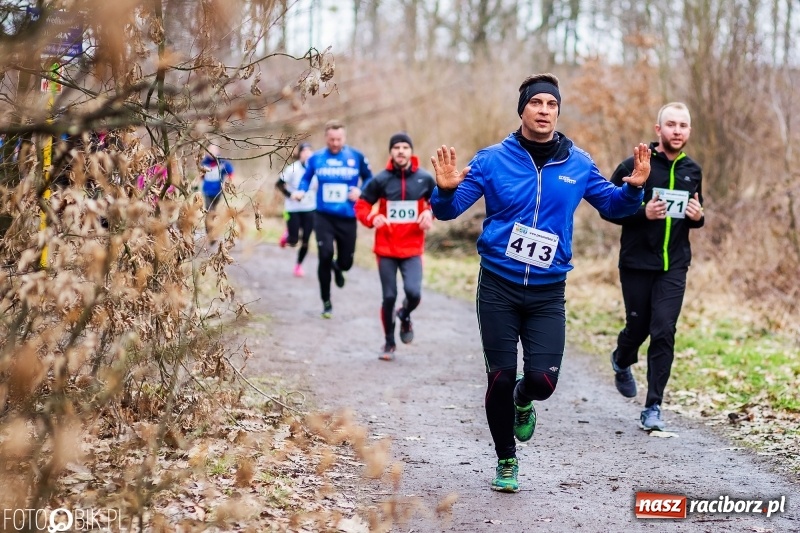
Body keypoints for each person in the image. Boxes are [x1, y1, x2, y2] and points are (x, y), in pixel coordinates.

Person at [430, 73, 651, 494]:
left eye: (552, 104)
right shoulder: (492, 159)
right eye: (537, 103)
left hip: (548, 291)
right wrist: (442, 192)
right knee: (499, 375)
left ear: (558, 111)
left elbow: (612, 206)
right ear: (523, 110)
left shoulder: (578, 163)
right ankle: (506, 459)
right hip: (498, 285)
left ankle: (524, 399)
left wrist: (634, 190)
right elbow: (449, 210)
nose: (544, 110)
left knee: (542, 382)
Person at [602, 102, 704, 432]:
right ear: (658, 129)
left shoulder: (693, 170)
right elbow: (608, 208)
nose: (677, 130)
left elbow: (696, 212)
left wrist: (699, 219)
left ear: (689, 131)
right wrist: (641, 212)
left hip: (673, 265)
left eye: (683, 125)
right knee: (639, 327)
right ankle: (621, 358)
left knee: (663, 330)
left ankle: (653, 406)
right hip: (636, 262)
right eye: (671, 124)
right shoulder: (636, 164)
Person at [355, 133, 436, 361]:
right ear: (391, 152)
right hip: (386, 249)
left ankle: (405, 314)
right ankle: (389, 343)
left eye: (405, 147)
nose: (401, 151)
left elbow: (438, 203)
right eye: (396, 147)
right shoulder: (381, 180)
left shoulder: (424, 179)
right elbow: (361, 205)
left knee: (414, 293)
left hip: (412, 248)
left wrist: (430, 214)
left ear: (411, 151)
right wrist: (372, 219)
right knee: (388, 297)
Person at [292, 120, 372, 318]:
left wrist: (360, 190)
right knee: (325, 255)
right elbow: (305, 178)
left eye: (339, 139)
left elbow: (371, 178)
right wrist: (301, 191)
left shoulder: (356, 156)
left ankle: (339, 267)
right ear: (326, 138)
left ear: (344, 138)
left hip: (347, 217)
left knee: (346, 263)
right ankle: (326, 302)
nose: (335, 143)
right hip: (324, 217)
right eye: (331, 140)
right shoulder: (316, 158)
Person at [276, 142, 316, 277]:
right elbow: (279, 184)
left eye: (310, 151)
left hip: (310, 208)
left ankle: (298, 265)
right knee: (294, 241)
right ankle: (288, 236)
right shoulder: (292, 168)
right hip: (293, 208)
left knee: (306, 239)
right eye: (304, 151)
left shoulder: (316, 168)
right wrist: (290, 195)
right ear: (299, 154)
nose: (307, 154)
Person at [199, 145, 234, 244]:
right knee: (209, 211)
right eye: (210, 152)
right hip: (207, 191)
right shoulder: (204, 162)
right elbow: (201, 174)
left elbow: (231, 173)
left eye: (214, 152)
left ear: (217, 152)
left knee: (213, 212)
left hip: (218, 191)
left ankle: (212, 232)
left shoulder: (222, 162)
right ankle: (210, 234)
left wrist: (227, 182)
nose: (212, 154)